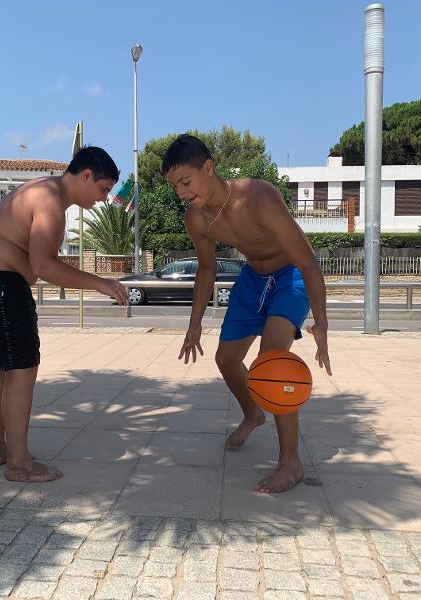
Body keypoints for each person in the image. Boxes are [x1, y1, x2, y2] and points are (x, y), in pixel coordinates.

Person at [163, 134, 332, 493]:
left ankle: (291, 464)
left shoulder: (259, 197)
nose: (180, 192)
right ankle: (253, 413)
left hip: (290, 275)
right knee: (226, 359)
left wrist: (322, 323)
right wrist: (194, 325)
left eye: (185, 182)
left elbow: (307, 262)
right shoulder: (197, 219)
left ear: (208, 168)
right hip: (253, 278)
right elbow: (206, 269)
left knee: (272, 359)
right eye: (175, 186)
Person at [0, 146, 128, 483]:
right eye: (103, 189)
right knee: (21, 370)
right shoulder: (50, 201)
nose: (103, 199)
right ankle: (19, 464)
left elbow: (31, 262)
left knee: (3, 370)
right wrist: (101, 283)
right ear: (86, 175)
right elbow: (44, 265)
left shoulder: (38, 188)